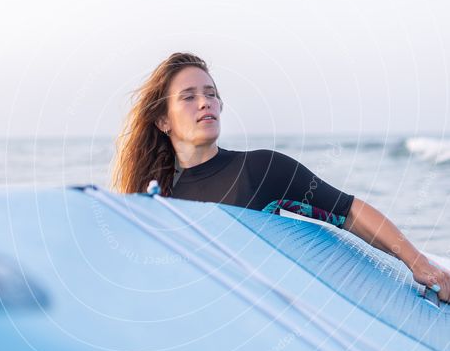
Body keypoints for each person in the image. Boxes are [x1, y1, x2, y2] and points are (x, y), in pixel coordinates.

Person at [112, 52, 450, 301]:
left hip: (264, 319)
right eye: (189, 97)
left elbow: (349, 213)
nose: (205, 103)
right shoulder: (159, 201)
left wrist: (417, 261)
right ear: (163, 121)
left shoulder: (260, 171)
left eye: (211, 94)